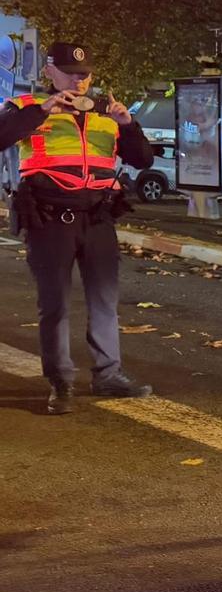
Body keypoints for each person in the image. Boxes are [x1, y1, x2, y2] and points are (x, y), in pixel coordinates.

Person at [0, 43, 155, 414]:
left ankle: (109, 375)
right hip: (49, 219)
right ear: (50, 72)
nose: (78, 79)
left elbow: (142, 158)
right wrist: (42, 110)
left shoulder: (107, 113)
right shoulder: (24, 107)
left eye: (84, 73)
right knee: (54, 304)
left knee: (105, 302)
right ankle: (61, 382)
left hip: (98, 218)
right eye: (70, 72)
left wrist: (128, 125)